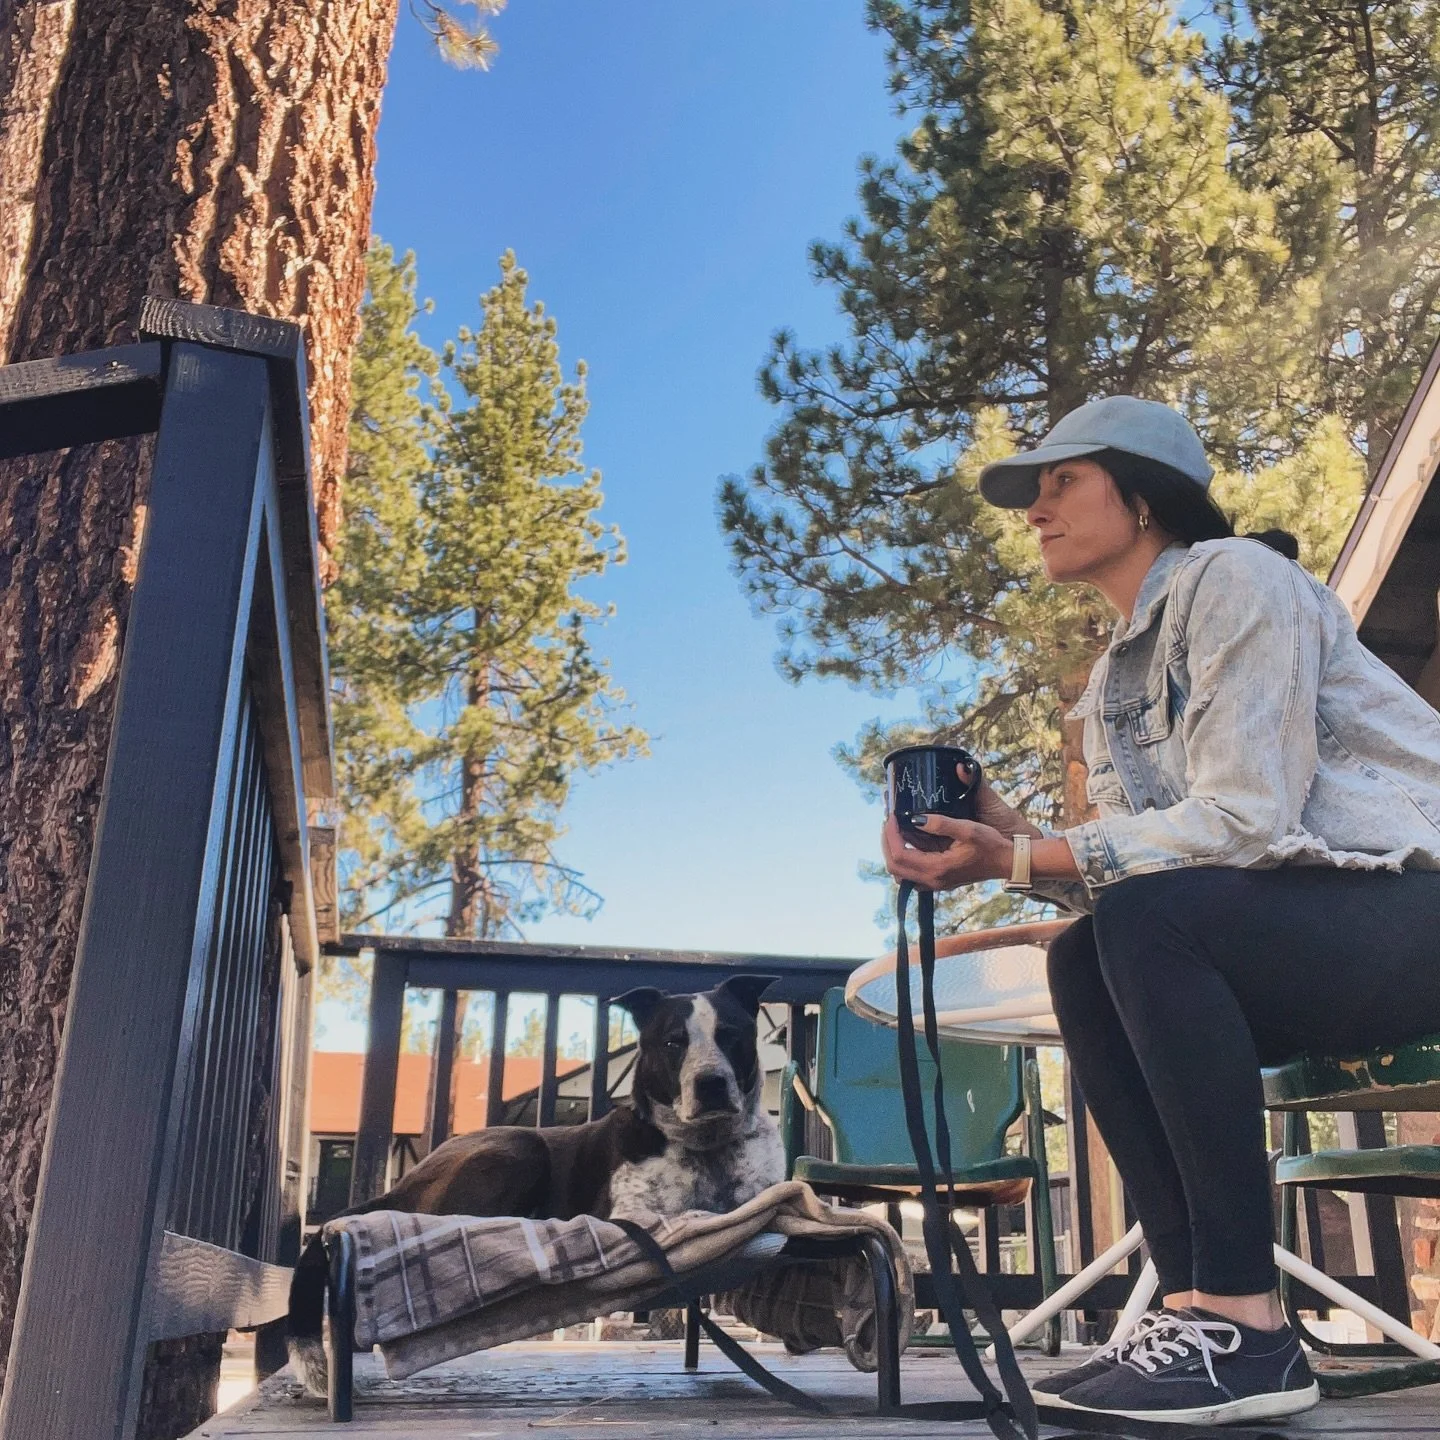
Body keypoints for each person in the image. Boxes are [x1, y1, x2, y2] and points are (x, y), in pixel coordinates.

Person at [880, 395, 1440, 1427]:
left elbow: (1244, 819)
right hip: (1308, 929)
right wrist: (1008, 840)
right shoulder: (1113, 678)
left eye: (1063, 483)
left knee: (1139, 927)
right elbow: (1155, 862)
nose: (1035, 511)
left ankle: (1246, 1321)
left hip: (1410, 904)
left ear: (1144, 497)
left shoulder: (1238, 579)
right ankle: (1199, 1314)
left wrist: (1025, 854)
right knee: (1089, 954)